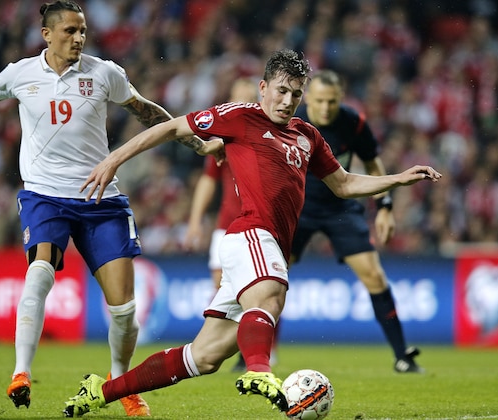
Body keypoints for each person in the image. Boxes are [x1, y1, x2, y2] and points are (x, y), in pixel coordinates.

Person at [63, 49, 441, 418]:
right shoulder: (241, 116)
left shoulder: (307, 135)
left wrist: (398, 179)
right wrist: (113, 159)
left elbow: (343, 183)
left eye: (296, 93)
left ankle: (101, 390)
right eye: (281, 90)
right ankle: (259, 371)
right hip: (250, 234)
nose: (288, 100)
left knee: (205, 356)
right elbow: (172, 126)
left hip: (269, 241)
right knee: (271, 293)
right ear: (263, 87)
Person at [0, 1, 218, 415]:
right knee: (39, 273)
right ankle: (20, 372)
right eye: (71, 31)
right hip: (45, 196)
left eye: (83, 31)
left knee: (124, 310)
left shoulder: (104, 72)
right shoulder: (21, 73)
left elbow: (147, 112)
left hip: (100, 199)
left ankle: (120, 382)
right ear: (47, 34)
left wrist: (196, 142)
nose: (79, 38)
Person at [291, 69, 423, 373]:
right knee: (274, 283)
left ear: (340, 99)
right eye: (320, 101)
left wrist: (385, 207)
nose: (325, 108)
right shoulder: (291, 120)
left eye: (332, 102)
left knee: (375, 277)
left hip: (341, 207)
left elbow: (373, 163)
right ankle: (251, 358)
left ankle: (403, 356)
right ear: (308, 98)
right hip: (297, 207)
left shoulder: (353, 122)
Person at [183, 77, 274, 372]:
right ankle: (235, 350)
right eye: (237, 97)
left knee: (258, 292)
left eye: (247, 97)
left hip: (259, 227)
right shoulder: (224, 140)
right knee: (225, 291)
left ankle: (256, 353)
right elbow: (208, 181)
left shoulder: (267, 136)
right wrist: (195, 221)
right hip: (226, 226)